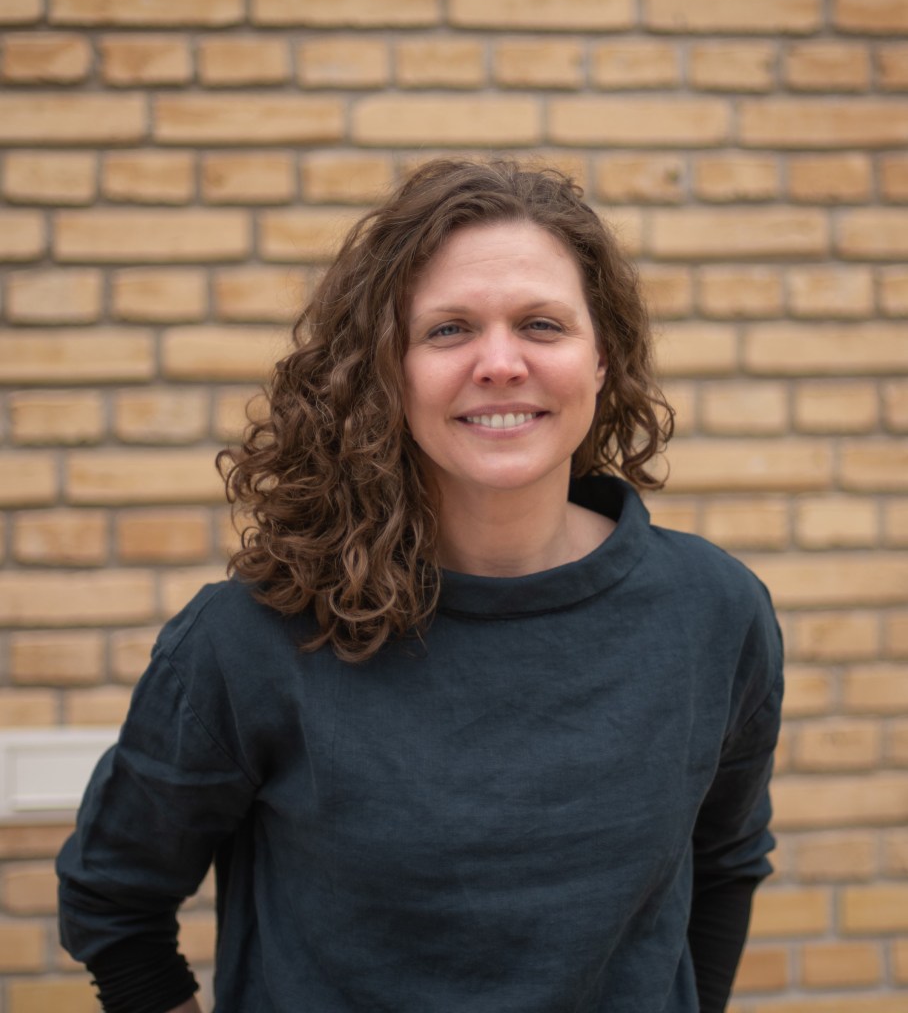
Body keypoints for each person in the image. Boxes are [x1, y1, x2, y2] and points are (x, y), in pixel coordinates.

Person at [57, 158, 783, 1013]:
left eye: (543, 324)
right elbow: (115, 901)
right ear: (385, 370)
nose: (501, 363)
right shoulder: (253, 636)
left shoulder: (714, 611)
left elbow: (724, 865)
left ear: (603, 361)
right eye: (448, 330)